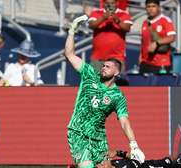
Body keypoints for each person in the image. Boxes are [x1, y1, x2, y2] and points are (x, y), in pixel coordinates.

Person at [65, 15, 145, 168]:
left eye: (108, 67)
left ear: (116, 73)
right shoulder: (89, 74)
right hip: (78, 132)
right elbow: (69, 54)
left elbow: (124, 121)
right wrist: (71, 31)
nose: (103, 68)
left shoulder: (118, 96)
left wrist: (133, 144)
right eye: (103, 65)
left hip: (99, 137)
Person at [88, 0, 133, 72]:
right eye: (107, 3)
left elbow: (127, 28)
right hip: (97, 58)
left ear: (117, 3)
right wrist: (103, 17)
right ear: (104, 3)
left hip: (117, 59)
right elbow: (91, 25)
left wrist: (117, 19)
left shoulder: (124, 14)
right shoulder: (96, 12)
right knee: (95, 82)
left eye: (112, 3)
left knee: (116, 82)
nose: (109, 5)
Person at [139, 0, 176, 74]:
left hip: (161, 63)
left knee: (159, 85)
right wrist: (140, 57)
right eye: (148, 7)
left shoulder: (165, 20)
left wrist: (157, 43)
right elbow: (143, 41)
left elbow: (172, 37)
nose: (151, 9)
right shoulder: (145, 23)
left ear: (158, 8)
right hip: (145, 62)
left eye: (153, 6)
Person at [97, 150, 181, 168]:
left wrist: (118, 153)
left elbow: (134, 158)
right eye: (102, 165)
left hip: (147, 163)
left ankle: (180, 164)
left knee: (174, 157)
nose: (103, 162)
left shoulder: (113, 163)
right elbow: (137, 161)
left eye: (101, 163)